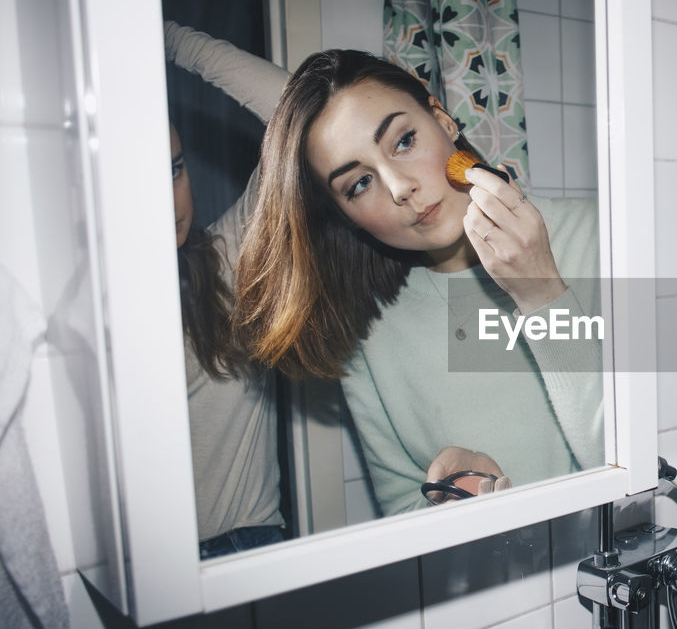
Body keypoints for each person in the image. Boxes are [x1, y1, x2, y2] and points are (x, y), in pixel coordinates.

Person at [197, 40, 604, 517]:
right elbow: (401, 521)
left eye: (404, 141)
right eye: (359, 184)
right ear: (347, 216)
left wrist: (541, 294)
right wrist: (447, 497)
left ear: (444, 120)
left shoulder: (601, 236)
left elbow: (648, 469)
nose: (399, 187)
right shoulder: (369, 331)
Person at [166, 39, 288, 557]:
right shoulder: (83, 314)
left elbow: (299, 109)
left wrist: (167, 39)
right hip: (155, 573)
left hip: (253, 544)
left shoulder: (224, 261)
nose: (167, 199)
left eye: (173, 169)